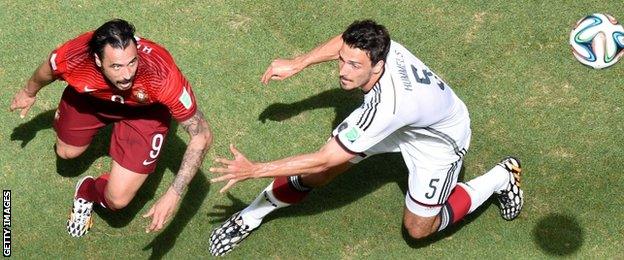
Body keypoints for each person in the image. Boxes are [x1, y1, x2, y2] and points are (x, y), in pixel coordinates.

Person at [208, 20, 523, 256]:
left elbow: (325, 158)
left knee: (418, 228)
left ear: (378, 65)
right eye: (343, 60)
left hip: (438, 141)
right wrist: (299, 62)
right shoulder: (381, 46)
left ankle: (500, 178)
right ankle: (250, 216)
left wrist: (255, 169)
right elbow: (345, 42)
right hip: (415, 117)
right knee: (317, 176)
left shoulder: (387, 109)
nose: (342, 71)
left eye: (354, 65)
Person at [9, 19, 213, 237]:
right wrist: (29, 92)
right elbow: (48, 70)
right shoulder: (76, 56)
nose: (126, 74)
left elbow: (201, 135)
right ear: (97, 60)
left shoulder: (161, 75)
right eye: (116, 66)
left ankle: (87, 191)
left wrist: (174, 193)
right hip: (92, 100)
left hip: (145, 112)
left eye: (132, 62)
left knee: (117, 200)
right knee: (66, 153)